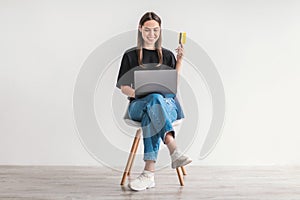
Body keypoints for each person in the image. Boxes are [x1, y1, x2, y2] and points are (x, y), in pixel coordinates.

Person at [116, 11, 192, 191]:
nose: (152, 34)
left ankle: (148, 173)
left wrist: (179, 61)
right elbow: (123, 87)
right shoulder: (130, 55)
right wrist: (141, 92)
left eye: (156, 30)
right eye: (148, 30)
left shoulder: (167, 55)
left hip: (167, 106)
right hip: (138, 104)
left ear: (160, 31)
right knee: (153, 100)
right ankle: (172, 146)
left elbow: (173, 86)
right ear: (140, 29)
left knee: (154, 108)